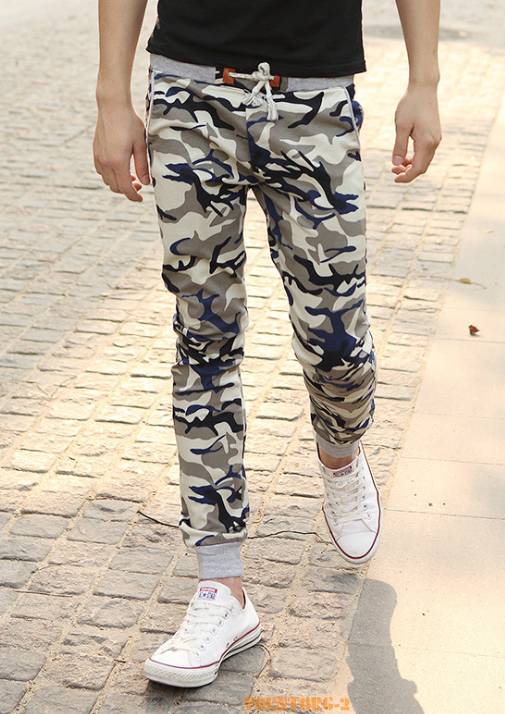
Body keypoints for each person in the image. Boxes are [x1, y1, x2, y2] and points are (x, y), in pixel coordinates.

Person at [94, 0, 441, 689]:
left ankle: (339, 451)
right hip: (189, 95)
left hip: (316, 100)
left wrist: (423, 81)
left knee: (336, 342)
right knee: (204, 339)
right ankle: (222, 585)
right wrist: (112, 97)